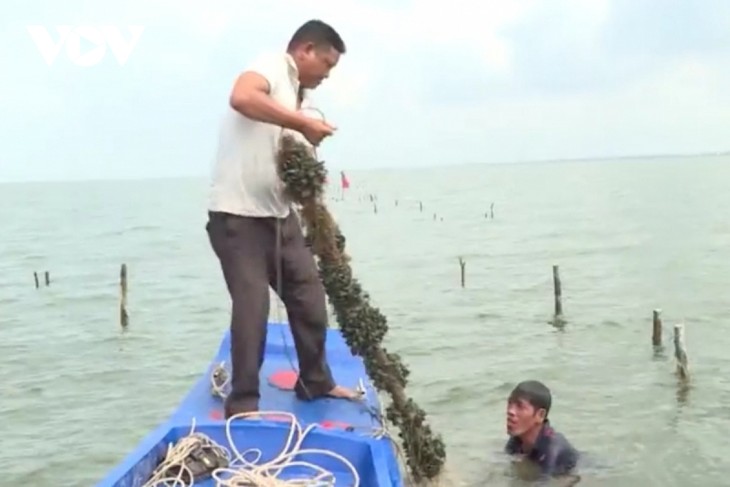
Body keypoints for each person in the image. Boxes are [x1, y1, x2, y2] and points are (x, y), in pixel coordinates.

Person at [206, 19, 360, 418]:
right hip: (237, 217)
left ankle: (316, 381)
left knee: (309, 297)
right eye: (326, 63)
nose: (328, 74)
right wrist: (302, 124)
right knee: (252, 307)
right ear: (305, 50)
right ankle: (242, 403)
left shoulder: (297, 95)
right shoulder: (274, 65)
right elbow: (241, 97)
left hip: (279, 217)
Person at [504, 380, 580, 482]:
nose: (510, 411)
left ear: (540, 415)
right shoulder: (517, 439)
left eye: (520, 406)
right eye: (510, 403)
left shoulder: (552, 449)